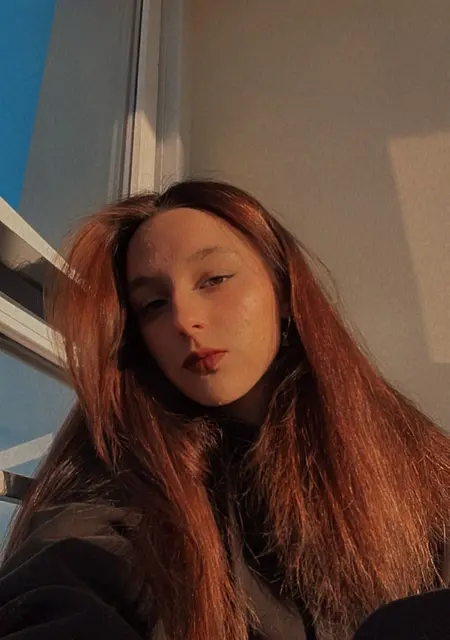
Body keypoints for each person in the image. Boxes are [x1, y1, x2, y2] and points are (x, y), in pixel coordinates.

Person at [0, 179, 449, 640]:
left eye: (214, 280)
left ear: (283, 289)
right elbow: (62, 579)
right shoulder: (124, 471)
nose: (183, 320)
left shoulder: (409, 459)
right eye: (153, 304)